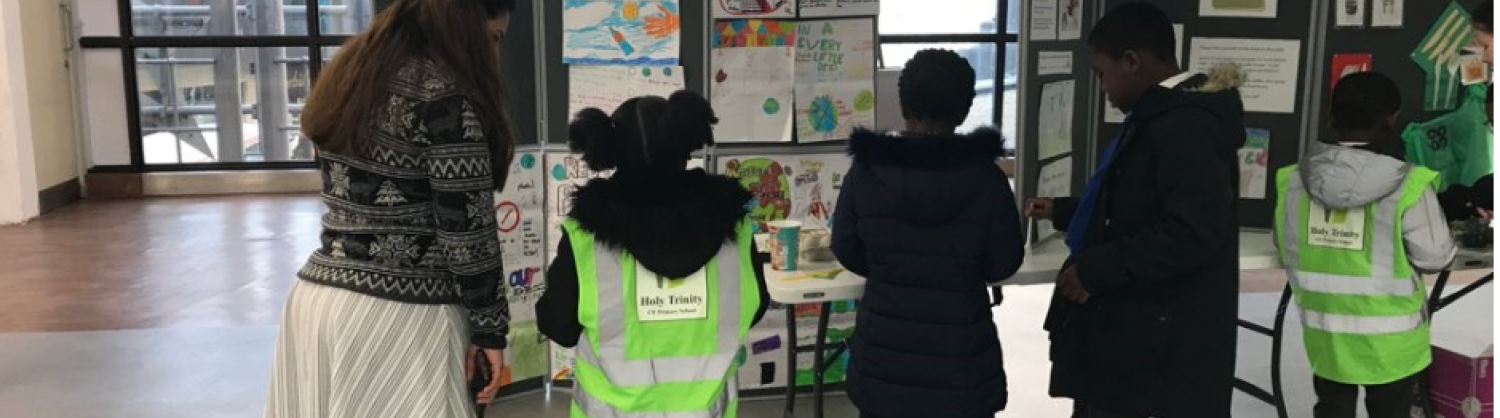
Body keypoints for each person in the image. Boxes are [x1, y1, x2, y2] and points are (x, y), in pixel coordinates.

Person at [262, 0, 518, 416]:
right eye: (493, 37)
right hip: (402, 319)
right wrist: (490, 329)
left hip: (317, 302)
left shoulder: (352, 74)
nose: (494, 53)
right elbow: (466, 233)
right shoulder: (447, 100)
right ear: (467, 27)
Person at [1024, 3, 1246, 417]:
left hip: (1160, 355)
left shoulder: (1185, 126)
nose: (1102, 88)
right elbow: (1137, 205)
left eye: (1102, 74)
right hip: (1138, 340)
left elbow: (1192, 231)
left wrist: (1096, 269)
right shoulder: (1161, 115)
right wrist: (1066, 211)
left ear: (1132, 62)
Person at [535, 90, 770, 418]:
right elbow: (756, 306)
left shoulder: (585, 237)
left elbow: (558, 326)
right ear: (685, 146)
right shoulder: (735, 228)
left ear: (609, 151)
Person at [832, 48, 1025, 418]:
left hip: (883, 358)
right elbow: (1004, 262)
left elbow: (846, 247)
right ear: (965, 110)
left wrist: (890, 268)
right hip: (961, 361)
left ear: (903, 106)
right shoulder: (988, 180)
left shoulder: (867, 174)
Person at [1275, 72, 1457, 418]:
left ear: (1331, 117)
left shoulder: (1293, 180)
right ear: (1392, 120)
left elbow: (1287, 249)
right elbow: (1436, 257)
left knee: (1331, 409)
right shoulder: (1409, 184)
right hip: (1392, 341)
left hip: (1326, 333)